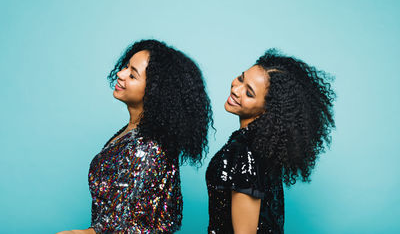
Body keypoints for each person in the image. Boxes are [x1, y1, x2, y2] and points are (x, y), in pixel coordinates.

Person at [58, 39, 213, 234]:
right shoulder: (131, 132)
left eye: (132, 75)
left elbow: (128, 224)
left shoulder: (147, 148)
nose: (121, 74)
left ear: (153, 91)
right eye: (125, 67)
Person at [206, 49, 335, 233]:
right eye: (241, 78)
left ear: (267, 110)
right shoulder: (262, 146)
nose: (235, 89)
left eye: (249, 93)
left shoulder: (244, 152)